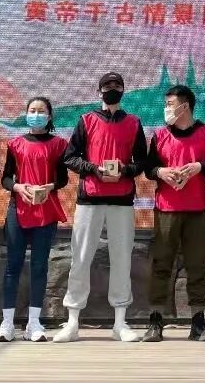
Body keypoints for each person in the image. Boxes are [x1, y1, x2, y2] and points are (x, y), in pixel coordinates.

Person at [55, 71, 147, 343]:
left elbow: (142, 161)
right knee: (80, 258)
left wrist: (125, 170)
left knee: (122, 259)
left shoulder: (133, 122)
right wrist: (94, 169)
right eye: (107, 86)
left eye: (117, 85)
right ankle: (72, 321)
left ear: (123, 90)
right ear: (99, 91)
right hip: (90, 198)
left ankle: (120, 322)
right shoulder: (86, 120)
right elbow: (70, 157)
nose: (112, 89)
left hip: (122, 199)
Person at [141, 85, 205, 342]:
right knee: (161, 264)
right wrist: (161, 172)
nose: (166, 108)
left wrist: (200, 167)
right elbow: (148, 168)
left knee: (196, 265)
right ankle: (155, 321)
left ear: (185, 106)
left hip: (197, 209)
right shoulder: (159, 135)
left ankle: (198, 323)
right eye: (166, 104)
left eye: (170, 104)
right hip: (166, 209)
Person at [0, 96, 69, 342]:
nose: (36, 114)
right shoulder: (15, 144)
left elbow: (63, 179)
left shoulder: (59, 145)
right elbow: (6, 178)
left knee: (39, 266)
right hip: (18, 209)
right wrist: (18, 187)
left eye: (41, 111)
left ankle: (34, 323)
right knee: (12, 266)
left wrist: (50, 186)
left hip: (45, 210)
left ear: (49, 116)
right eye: (32, 110)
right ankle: (7, 323)